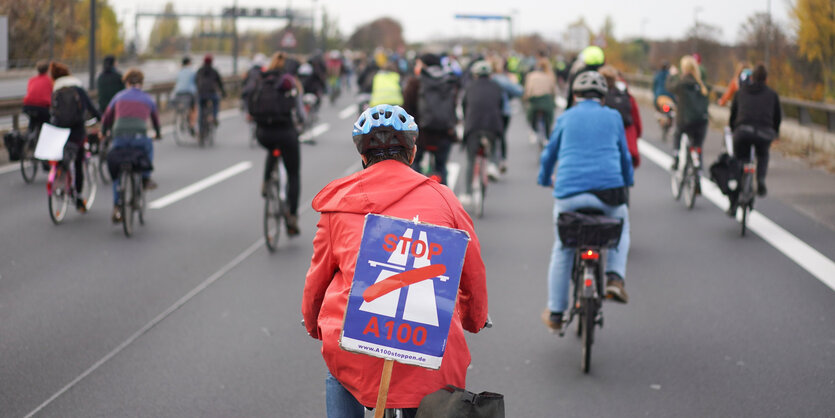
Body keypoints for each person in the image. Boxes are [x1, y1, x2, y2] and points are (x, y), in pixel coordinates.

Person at [302, 104, 488, 417]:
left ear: (362, 157)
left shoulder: (338, 205)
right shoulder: (445, 200)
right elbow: (472, 273)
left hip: (359, 349)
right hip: (430, 349)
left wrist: (313, 324)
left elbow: (317, 280)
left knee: (340, 369)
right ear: (413, 153)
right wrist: (473, 318)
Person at [537, 71, 633, 331]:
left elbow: (549, 154)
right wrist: (627, 181)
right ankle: (614, 277)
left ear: (576, 95)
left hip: (569, 193)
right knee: (621, 226)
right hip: (609, 192)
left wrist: (544, 178)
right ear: (603, 97)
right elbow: (624, 156)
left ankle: (556, 312)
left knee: (563, 246)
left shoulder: (566, 117)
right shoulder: (613, 117)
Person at [248, 52, 303, 236]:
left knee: (272, 149)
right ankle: (292, 216)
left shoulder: (261, 79)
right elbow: (299, 110)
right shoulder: (288, 81)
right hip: (285, 132)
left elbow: (250, 100)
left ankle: (266, 181)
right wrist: (302, 123)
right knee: (293, 174)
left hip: (263, 133)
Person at [101, 69, 162, 223]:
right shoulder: (147, 98)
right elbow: (155, 120)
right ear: (141, 83)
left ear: (127, 83)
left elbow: (107, 117)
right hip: (139, 137)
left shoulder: (118, 97)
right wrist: (158, 133)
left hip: (119, 137)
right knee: (148, 146)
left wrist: (104, 132)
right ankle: (146, 178)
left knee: (118, 171)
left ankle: (117, 206)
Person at [727, 64, 781, 214]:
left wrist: (733, 129)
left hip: (742, 132)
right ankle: (761, 178)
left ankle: (735, 197)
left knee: (738, 161)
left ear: (752, 77)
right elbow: (777, 117)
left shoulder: (741, 92)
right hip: (764, 133)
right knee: (763, 154)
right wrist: (775, 133)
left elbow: (733, 114)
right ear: (766, 79)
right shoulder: (772, 94)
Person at [49, 61, 101, 212]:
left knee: (61, 157)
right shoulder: (77, 87)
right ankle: (78, 197)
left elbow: (51, 111)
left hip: (59, 130)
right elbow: (90, 107)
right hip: (76, 130)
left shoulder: (55, 89)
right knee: (78, 161)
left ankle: (59, 175)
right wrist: (100, 118)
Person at [402, 53, 458, 184]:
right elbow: (452, 107)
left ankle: (415, 194)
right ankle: (444, 199)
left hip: (420, 135)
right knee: (441, 167)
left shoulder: (415, 82)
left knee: (414, 166)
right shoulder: (448, 81)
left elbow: (406, 110)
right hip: (443, 134)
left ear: (424, 65)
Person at [460, 60, 504, 204]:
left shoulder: (469, 87)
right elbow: (500, 105)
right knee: (495, 142)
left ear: (475, 75)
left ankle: (467, 193)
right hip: (492, 125)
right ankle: (492, 164)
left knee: (471, 160)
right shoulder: (496, 86)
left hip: (473, 126)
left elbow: (464, 106)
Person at [666, 55, 710, 172]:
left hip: (685, 121)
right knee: (697, 147)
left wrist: (672, 75)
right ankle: (698, 170)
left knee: (677, 133)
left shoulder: (682, 83)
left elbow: (670, 87)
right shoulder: (702, 85)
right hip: (701, 122)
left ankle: (676, 157)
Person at [599, 65, 643, 167]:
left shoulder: (599, 99)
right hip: (628, 144)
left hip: (606, 146)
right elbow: (636, 120)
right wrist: (636, 136)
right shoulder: (626, 95)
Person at [490, 56, 524, 172]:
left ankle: (492, 162)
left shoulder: (484, 79)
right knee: (501, 135)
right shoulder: (501, 79)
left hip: (490, 111)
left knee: (493, 136)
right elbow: (518, 91)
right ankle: (502, 160)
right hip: (503, 111)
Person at [523, 60, 558, 142]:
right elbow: (553, 91)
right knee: (549, 118)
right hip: (547, 100)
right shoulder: (549, 76)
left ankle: (533, 130)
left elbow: (528, 90)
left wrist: (526, 98)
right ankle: (547, 136)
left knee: (531, 115)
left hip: (535, 101)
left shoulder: (531, 76)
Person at [22, 60, 53, 134]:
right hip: (42, 108)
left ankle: (28, 136)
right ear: (48, 70)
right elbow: (52, 94)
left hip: (28, 107)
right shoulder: (49, 81)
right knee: (48, 124)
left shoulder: (32, 80)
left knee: (33, 121)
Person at [195, 54, 226, 127]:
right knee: (216, 102)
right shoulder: (214, 71)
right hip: (212, 93)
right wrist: (223, 93)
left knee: (201, 110)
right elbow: (220, 83)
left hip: (201, 93)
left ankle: (201, 128)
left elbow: (196, 81)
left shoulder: (200, 70)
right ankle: (214, 117)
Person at [171, 56, 198, 134]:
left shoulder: (179, 72)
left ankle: (182, 116)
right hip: (189, 93)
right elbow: (195, 83)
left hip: (178, 93)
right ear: (189, 63)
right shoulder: (192, 72)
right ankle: (192, 125)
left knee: (182, 106)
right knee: (194, 108)